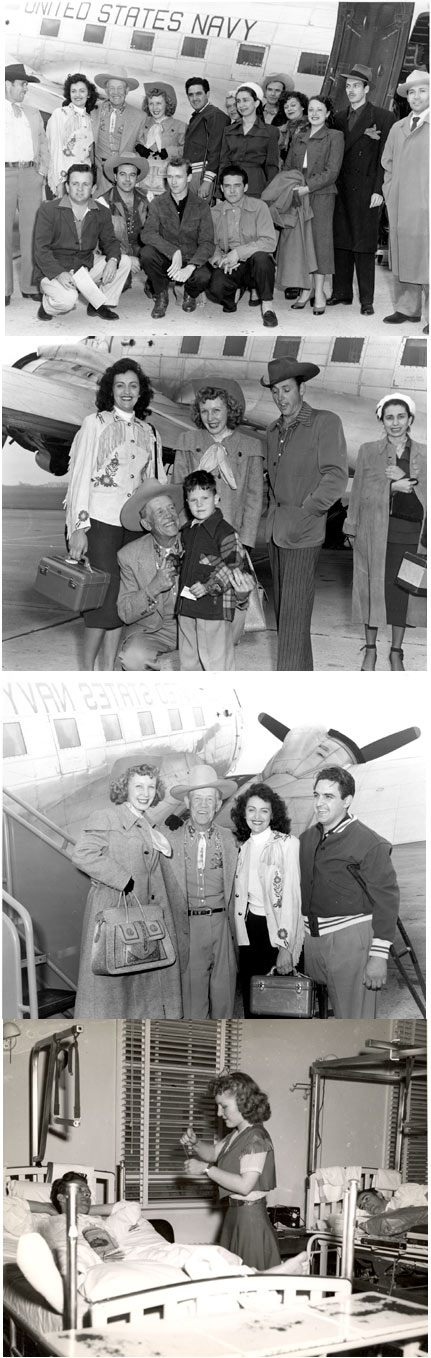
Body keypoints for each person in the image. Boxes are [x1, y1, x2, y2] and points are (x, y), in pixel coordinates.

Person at [65, 359, 166, 671]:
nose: (126, 391)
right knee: (99, 603)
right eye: (120, 385)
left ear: (141, 392)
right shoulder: (94, 423)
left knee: (123, 601)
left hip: (135, 528)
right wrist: (78, 528)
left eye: (133, 386)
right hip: (100, 523)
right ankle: (87, 673)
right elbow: (80, 477)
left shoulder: (150, 432)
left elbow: (155, 485)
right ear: (110, 389)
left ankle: (108, 672)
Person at [72, 761, 184, 1019]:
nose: (145, 793)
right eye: (138, 786)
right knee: (112, 990)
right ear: (125, 788)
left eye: (151, 786)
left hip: (143, 917)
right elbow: (82, 854)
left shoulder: (147, 823)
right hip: (114, 913)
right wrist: (122, 878)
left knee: (141, 991)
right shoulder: (107, 817)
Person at [262, 358, 348, 671]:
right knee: (289, 620)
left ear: (302, 388)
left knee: (293, 620)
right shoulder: (273, 430)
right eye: (275, 391)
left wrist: (307, 511)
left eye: (286, 389)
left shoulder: (325, 422)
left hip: (303, 533)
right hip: (276, 532)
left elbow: (336, 476)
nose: (280, 397)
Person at [299, 765, 400, 1019]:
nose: (319, 803)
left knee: (355, 1019)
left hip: (350, 941)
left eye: (328, 797)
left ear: (347, 801)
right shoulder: (307, 839)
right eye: (316, 795)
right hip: (314, 942)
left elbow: (387, 900)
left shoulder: (369, 842)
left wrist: (378, 956)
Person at [343, 392, 427, 671]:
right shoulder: (368, 451)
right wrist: (390, 488)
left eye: (401, 416)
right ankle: (370, 651)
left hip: (410, 533)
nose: (395, 422)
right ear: (382, 420)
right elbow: (358, 495)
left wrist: (407, 482)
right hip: (375, 532)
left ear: (410, 419)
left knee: (401, 593)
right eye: (389, 417)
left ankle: (396, 652)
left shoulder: (424, 453)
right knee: (371, 590)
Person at [160, 764, 238, 1019]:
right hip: (189, 927)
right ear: (187, 802)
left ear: (218, 805)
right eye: (197, 799)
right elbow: (144, 828)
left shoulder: (229, 839)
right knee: (193, 1002)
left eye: (209, 800)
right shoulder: (171, 838)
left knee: (225, 997)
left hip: (222, 924)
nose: (203, 806)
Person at [181, 1072, 281, 1269]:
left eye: (224, 1106)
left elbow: (245, 1186)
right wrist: (195, 1143)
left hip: (251, 1221)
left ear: (244, 1103)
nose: (219, 1113)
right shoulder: (236, 1135)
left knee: (251, 1284)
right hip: (235, 1216)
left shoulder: (256, 1138)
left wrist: (206, 1170)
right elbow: (212, 1154)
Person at [231, 782, 303, 1018]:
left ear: (273, 814)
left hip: (278, 932)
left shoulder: (287, 844)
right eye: (251, 809)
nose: (257, 816)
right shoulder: (242, 847)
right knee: (254, 1004)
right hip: (251, 931)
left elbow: (292, 900)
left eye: (264, 810)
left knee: (280, 1006)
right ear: (243, 813)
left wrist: (286, 948)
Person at [328, 64, 394, 315]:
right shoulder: (338, 117)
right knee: (341, 242)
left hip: (367, 191)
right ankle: (341, 292)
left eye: (356, 86)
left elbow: (385, 158)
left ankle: (367, 300)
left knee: (364, 246)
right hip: (341, 189)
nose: (351, 90)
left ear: (367, 89)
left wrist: (380, 189)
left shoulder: (383, 117)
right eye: (348, 86)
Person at [172, 378, 264, 553]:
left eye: (216, 410)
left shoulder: (251, 446)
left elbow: (254, 500)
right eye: (204, 411)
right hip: (194, 534)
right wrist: (183, 533)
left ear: (229, 410)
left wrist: (246, 541)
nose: (210, 418)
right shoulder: (187, 441)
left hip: (232, 536)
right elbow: (179, 491)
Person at [33, 162, 132, 321]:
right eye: (75, 184)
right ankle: (47, 307)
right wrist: (59, 273)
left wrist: (113, 261)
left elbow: (110, 242)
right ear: (67, 186)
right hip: (54, 267)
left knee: (124, 261)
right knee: (68, 300)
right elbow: (41, 250)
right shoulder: (48, 210)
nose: (80, 189)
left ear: (93, 189)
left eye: (85, 184)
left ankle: (99, 303)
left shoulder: (102, 211)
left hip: (84, 266)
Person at [176, 469, 250, 671]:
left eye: (204, 498)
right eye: (193, 500)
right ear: (186, 502)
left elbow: (236, 568)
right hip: (186, 607)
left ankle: (223, 700)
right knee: (188, 660)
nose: (199, 505)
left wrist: (209, 586)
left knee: (216, 663)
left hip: (213, 608)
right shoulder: (187, 531)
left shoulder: (225, 532)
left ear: (216, 498)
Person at [283, 94, 344, 314]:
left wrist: (307, 187)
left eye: (319, 110)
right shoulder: (300, 136)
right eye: (311, 109)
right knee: (302, 243)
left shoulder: (335, 136)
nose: (315, 113)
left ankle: (319, 292)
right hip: (299, 195)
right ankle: (305, 289)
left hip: (321, 195)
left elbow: (332, 171)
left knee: (319, 244)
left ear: (327, 113)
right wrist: (290, 187)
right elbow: (288, 166)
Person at [117, 479, 184, 670]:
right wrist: (154, 588)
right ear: (147, 524)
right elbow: (125, 612)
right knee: (132, 659)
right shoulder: (129, 555)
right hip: (155, 630)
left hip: (195, 625)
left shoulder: (196, 540)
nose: (170, 516)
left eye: (171, 508)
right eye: (160, 512)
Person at [382, 70, 429, 331]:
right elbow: (387, 164)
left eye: (422, 90)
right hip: (400, 205)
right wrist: (390, 192)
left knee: (427, 260)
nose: (416, 96)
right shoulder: (397, 127)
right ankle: (407, 309)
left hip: (427, 206)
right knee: (404, 257)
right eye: (411, 92)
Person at [140, 156, 214, 318]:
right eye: (170, 177)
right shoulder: (158, 203)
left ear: (188, 177)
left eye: (178, 177)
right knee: (146, 253)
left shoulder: (201, 206)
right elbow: (147, 233)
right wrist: (173, 251)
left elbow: (207, 243)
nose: (173, 182)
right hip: (168, 257)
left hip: (191, 257)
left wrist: (191, 267)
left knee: (205, 276)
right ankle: (161, 295)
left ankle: (190, 294)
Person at [207, 164, 278, 326]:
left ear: (245, 187)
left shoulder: (259, 207)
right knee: (215, 287)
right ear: (222, 189)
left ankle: (267, 307)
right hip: (230, 262)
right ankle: (234, 296)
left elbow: (269, 241)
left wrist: (238, 253)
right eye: (227, 186)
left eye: (237, 186)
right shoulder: (214, 212)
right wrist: (220, 260)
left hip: (254, 262)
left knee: (262, 259)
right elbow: (211, 244)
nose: (232, 191)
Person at [5, 62, 48, 306]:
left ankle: (31, 286)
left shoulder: (33, 112)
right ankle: (4, 289)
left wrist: (41, 172)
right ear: (8, 84)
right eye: (22, 84)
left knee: (33, 233)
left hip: (30, 175)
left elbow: (43, 143)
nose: (26, 89)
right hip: (4, 175)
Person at [219, 84, 279, 198]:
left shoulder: (271, 132)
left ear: (256, 103)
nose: (241, 105)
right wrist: (220, 192)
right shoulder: (229, 130)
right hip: (230, 187)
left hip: (256, 187)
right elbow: (223, 162)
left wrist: (269, 194)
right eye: (238, 101)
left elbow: (272, 167)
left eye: (245, 100)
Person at [97, 152, 149, 283]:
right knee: (122, 282)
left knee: (155, 257)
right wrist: (125, 258)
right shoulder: (103, 202)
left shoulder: (147, 199)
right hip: (115, 253)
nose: (127, 180)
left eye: (132, 175)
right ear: (115, 176)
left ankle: (154, 285)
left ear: (137, 178)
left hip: (141, 250)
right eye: (122, 174)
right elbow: (102, 241)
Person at [93, 67, 146, 191]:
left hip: (123, 176)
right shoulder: (94, 110)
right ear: (106, 90)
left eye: (120, 88)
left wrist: (129, 167)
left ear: (127, 90)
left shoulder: (139, 116)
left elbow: (141, 146)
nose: (115, 92)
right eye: (111, 88)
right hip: (98, 175)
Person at [46, 72, 98, 197]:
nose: (78, 95)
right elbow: (54, 150)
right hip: (65, 178)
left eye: (82, 91)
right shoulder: (59, 114)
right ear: (69, 94)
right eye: (73, 91)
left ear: (89, 94)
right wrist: (59, 183)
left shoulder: (91, 119)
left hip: (85, 179)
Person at [135, 81, 185, 196]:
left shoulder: (180, 126)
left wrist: (170, 152)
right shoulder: (142, 123)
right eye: (151, 103)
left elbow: (186, 150)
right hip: (143, 178)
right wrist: (138, 147)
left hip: (166, 180)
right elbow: (133, 140)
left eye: (159, 103)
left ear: (167, 104)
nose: (154, 108)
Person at [183, 77, 229, 200]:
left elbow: (217, 150)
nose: (194, 98)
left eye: (199, 93)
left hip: (203, 174)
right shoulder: (199, 115)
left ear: (207, 94)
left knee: (201, 214)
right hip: (192, 173)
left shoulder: (215, 116)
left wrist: (207, 181)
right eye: (190, 95)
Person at [279, 91, 309, 162]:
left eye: (293, 105)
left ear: (302, 106)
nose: (289, 109)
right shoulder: (281, 130)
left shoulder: (311, 127)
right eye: (286, 107)